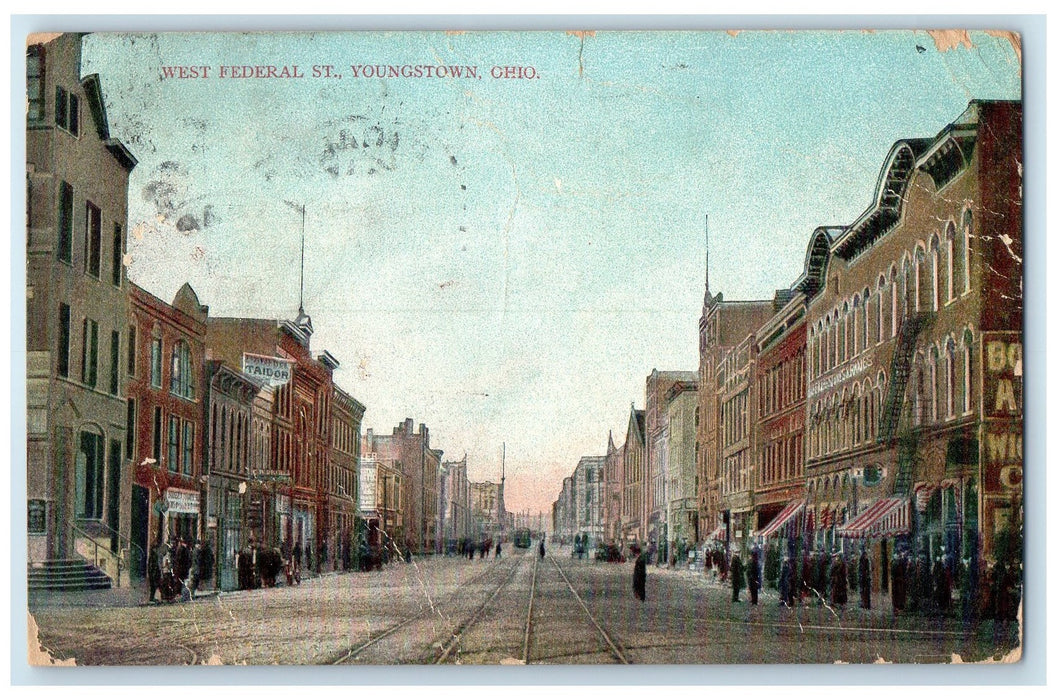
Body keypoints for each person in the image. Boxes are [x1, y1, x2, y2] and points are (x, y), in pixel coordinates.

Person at [147, 538, 164, 603]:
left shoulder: (155, 555)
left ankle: (154, 598)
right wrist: (152, 573)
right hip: (154, 573)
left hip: (155, 572)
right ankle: (151, 598)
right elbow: (151, 566)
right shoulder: (153, 556)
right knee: (153, 587)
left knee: (156, 586)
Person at [891, 549, 908, 613]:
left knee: (897, 594)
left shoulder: (895, 562)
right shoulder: (899, 562)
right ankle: (899, 606)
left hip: (897, 581)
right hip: (899, 581)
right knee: (899, 593)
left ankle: (897, 606)